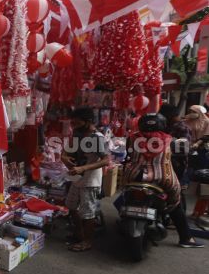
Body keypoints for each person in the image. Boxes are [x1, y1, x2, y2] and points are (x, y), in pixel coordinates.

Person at [123, 113, 203, 248]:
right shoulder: (170, 140)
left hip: (134, 175)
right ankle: (186, 238)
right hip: (163, 178)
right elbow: (186, 150)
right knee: (176, 201)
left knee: (126, 192)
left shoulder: (132, 138)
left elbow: (129, 153)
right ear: (163, 125)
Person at [61, 107, 110, 252]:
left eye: (76, 123)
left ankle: (87, 241)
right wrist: (63, 157)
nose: (73, 126)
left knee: (88, 213)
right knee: (71, 206)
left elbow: (106, 160)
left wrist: (83, 168)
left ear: (88, 122)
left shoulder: (97, 137)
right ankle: (79, 234)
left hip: (90, 181)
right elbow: (67, 151)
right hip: (76, 177)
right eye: (73, 123)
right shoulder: (77, 133)